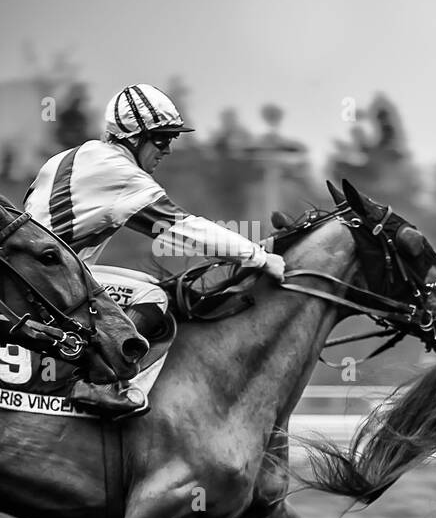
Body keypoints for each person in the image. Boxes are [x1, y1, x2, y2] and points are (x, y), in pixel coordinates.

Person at [24, 84, 285, 417]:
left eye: (171, 140)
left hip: (30, 279)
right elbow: (184, 231)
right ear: (133, 138)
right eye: (161, 139)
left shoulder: (69, 158)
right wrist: (258, 256)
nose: (168, 150)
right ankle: (101, 382)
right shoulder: (119, 174)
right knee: (151, 297)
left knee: (142, 282)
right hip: (49, 286)